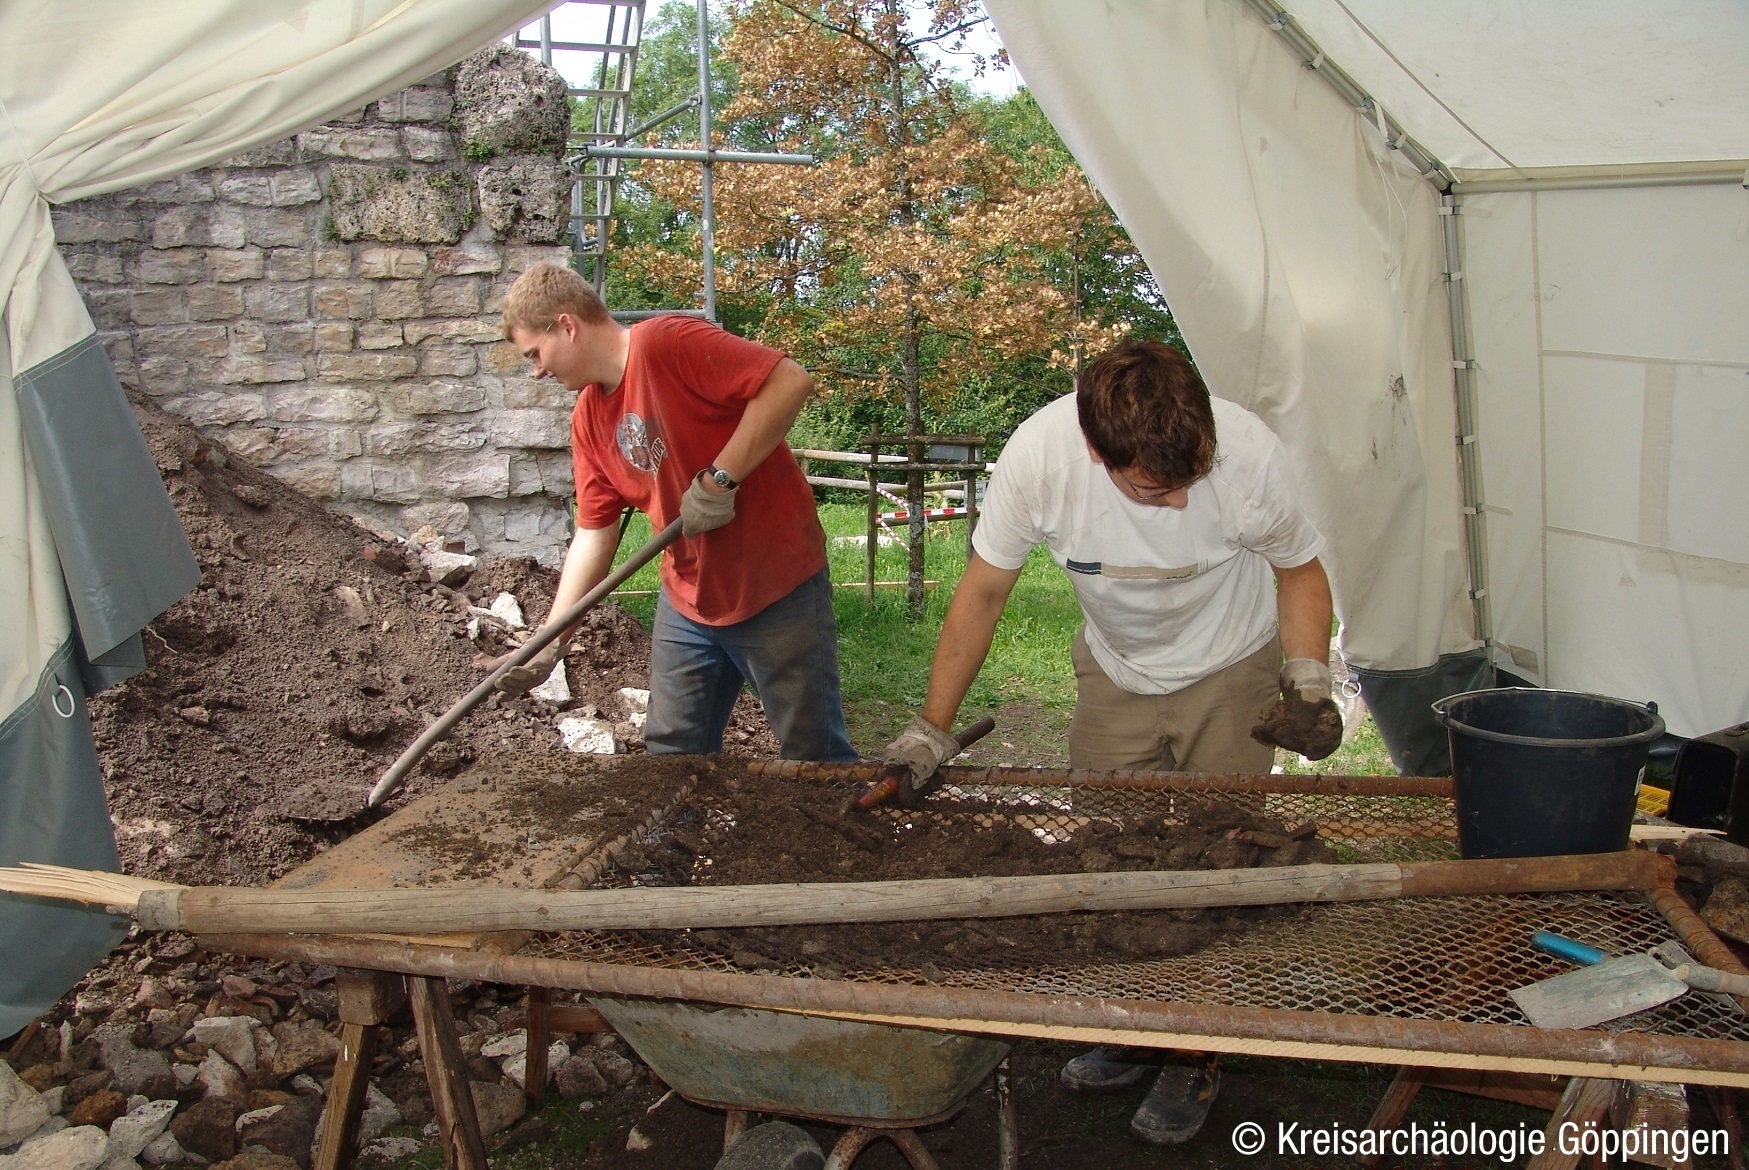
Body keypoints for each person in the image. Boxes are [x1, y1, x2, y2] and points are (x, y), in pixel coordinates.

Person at [881, 338, 1342, 1146]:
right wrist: (931, 728)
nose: (1178, 501)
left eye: (1189, 479)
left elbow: (1298, 569)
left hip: (1231, 666)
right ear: (1098, 453)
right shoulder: (1040, 460)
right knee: (1107, 850)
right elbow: (983, 591)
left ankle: (1196, 1048)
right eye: (1154, 489)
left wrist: (1305, 678)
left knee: (1218, 858)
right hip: (1116, 670)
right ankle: (1134, 1024)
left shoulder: (1247, 454)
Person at [493, 262, 856, 763]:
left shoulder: (667, 344)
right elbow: (594, 534)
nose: (536, 370)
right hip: (688, 599)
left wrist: (721, 478)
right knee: (670, 754)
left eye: (535, 353)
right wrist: (552, 639)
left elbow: (789, 381)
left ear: (567, 326)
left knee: (813, 754)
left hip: (774, 586)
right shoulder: (588, 418)